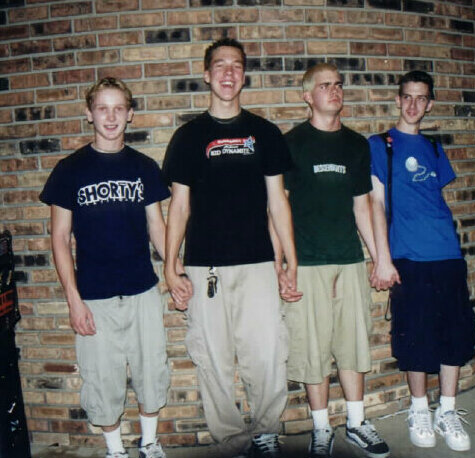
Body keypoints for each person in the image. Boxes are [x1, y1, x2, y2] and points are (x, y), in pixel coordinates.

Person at [162, 38, 302, 458]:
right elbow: (179, 206)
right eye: (220, 65)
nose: (228, 73)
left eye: (236, 65)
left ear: (244, 75)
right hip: (205, 266)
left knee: (267, 354)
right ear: (207, 75)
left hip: (258, 263)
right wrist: (170, 266)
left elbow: (278, 202)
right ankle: (231, 441)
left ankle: (266, 432)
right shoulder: (188, 136)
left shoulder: (265, 133)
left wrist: (289, 260)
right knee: (213, 360)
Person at [40, 77, 176, 458]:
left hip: (142, 290)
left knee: (152, 372)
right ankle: (115, 451)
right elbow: (59, 238)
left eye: (119, 108)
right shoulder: (69, 170)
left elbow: (157, 227)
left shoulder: (144, 166)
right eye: (103, 108)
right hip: (94, 297)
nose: (111, 116)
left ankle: (149, 444)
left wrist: (174, 271)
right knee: (102, 381)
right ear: (89, 114)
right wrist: (73, 300)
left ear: (130, 114)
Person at [277, 63, 390, 458]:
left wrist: (379, 259)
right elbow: (278, 208)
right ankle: (321, 428)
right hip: (307, 263)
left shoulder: (356, 145)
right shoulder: (291, 144)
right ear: (307, 96)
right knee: (312, 351)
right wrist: (281, 265)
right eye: (325, 85)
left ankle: (356, 423)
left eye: (338, 84)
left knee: (353, 345)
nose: (335, 90)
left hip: (349, 261)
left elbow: (363, 207)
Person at [368, 70, 475, 452]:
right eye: (407, 97)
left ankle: (447, 410)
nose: (413, 104)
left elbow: (436, 198)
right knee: (415, 336)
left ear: (430, 104)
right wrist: (382, 258)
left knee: (454, 334)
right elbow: (375, 204)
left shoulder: (433, 146)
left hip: (447, 254)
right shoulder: (381, 145)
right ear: (398, 99)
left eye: (421, 98)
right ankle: (419, 409)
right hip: (408, 257)